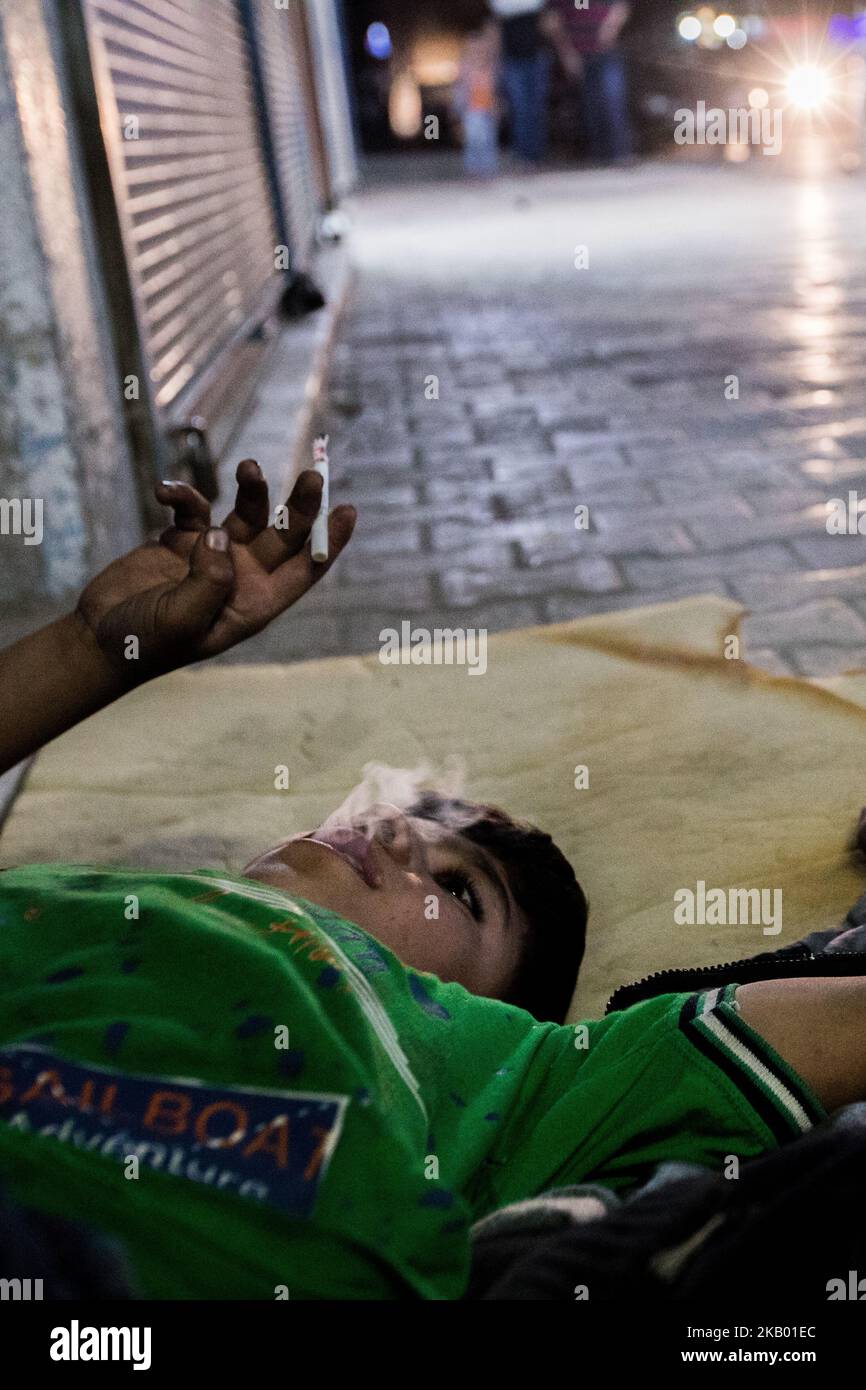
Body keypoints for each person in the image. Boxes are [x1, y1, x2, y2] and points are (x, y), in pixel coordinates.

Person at [0, 462, 865, 1299]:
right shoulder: (70, 894)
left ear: (491, 1008)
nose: (399, 842)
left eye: (459, 891)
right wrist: (95, 647)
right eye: (412, 821)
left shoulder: (510, 1079)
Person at [548, 0, 634, 165]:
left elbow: (621, 6)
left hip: (606, 51)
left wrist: (610, 28)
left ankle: (620, 153)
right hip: (578, 53)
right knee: (590, 104)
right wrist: (566, 54)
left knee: (613, 99)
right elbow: (554, 21)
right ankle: (598, 156)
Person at [488, 0, 551, 166]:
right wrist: (494, 63)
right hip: (512, 60)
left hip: (536, 56)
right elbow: (495, 29)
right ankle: (524, 157)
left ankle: (537, 156)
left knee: (537, 107)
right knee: (519, 107)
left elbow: (548, 22)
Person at [455, 19, 501, 176]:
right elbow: (459, 91)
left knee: (489, 141)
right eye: (473, 50)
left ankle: (488, 170)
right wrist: (459, 110)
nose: (477, 53)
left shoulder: (491, 69)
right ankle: (473, 169)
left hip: (487, 111)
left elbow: (494, 92)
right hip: (472, 112)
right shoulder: (465, 71)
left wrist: (496, 107)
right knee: (474, 141)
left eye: (481, 50)